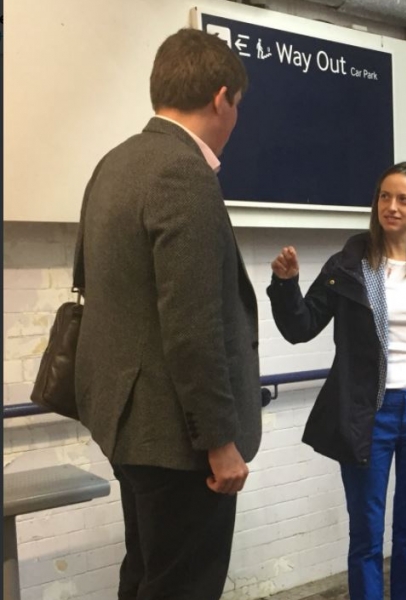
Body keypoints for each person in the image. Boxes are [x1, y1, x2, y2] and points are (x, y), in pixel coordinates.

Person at [73, 29, 260, 599]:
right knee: (183, 587)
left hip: (128, 427)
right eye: (238, 108)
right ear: (222, 98)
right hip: (180, 445)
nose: (235, 120)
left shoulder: (114, 163)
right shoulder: (184, 174)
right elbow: (192, 327)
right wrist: (219, 440)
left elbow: (91, 283)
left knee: (147, 575)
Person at [267, 162, 406, 600]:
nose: (391, 207)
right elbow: (301, 327)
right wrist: (285, 287)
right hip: (368, 413)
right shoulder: (349, 264)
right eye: (384, 196)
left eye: (403, 199)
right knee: (366, 536)